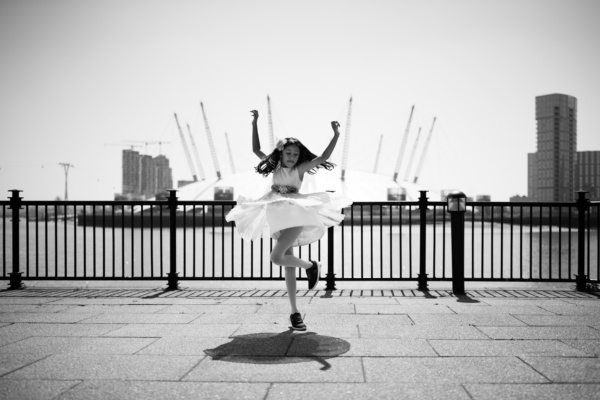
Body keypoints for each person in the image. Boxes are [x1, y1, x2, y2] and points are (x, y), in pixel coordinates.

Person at [226, 110, 351, 331]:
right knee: (287, 265)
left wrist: (336, 135)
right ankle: (295, 313)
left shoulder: (300, 169)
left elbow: (322, 159)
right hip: (275, 212)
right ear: (281, 153)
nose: (292, 157)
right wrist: (255, 123)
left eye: (295, 154)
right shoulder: (275, 167)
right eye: (288, 153)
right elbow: (255, 149)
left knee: (277, 257)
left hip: (295, 213)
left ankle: (311, 265)